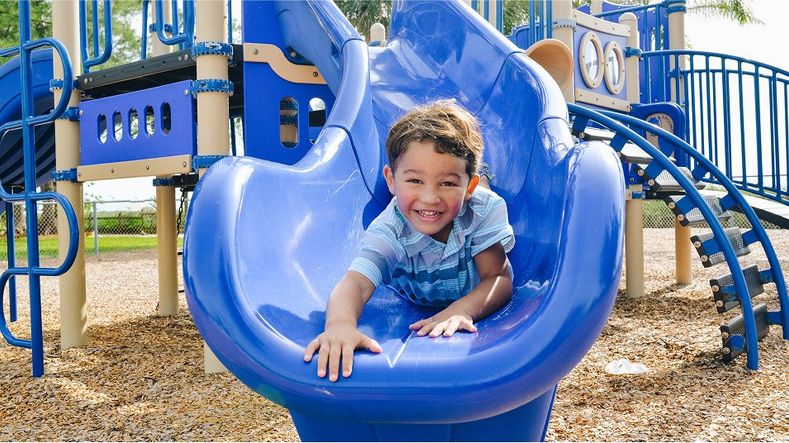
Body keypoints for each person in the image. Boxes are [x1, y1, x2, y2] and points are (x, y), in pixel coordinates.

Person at [303, 100, 514, 382]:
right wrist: (340, 325)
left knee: (480, 199)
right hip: (414, 285)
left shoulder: (482, 211)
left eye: (448, 183)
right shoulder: (389, 230)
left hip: (473, 225)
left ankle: (481, 177)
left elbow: (498, 278)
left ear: (467, 187)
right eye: (415, 180)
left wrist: (461, 310)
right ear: (390, 180)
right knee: (431, 198)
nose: (430, 197)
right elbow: (355, 283)